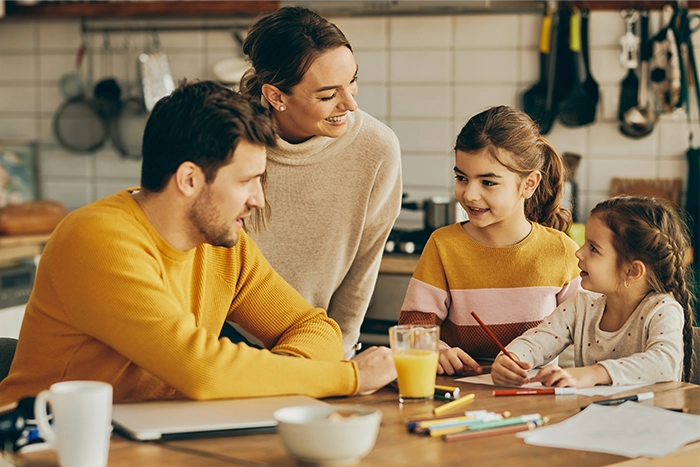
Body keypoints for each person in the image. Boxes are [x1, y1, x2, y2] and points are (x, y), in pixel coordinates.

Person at [0, 81, 396, 408]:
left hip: (155, 437)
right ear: (190, 179)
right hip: (44, 444)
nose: (258, 199)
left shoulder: (225, 244)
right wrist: (351, 376)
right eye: (246, 181)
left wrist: (278, 378)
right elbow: (204, 370)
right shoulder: (99, 240)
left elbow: (312, 327)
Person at [237, 6, 402, 358]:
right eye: (328, 95)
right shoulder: (228, 141)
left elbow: (364, 263)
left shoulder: (377, 148)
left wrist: (339, 351)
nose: (350, 104)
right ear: (276, 96)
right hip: (224, 339)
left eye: (353, 82)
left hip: (314, 343)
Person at [398, 105, 581, 376]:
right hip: (461, 392)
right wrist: (436, 349)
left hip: (536, 395)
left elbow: (586, 335)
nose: (469, 194)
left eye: (488, 182)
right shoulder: (443, 245)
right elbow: (412, 329)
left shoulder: (562, 251)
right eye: (462, 178)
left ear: (529, 184)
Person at [492, 196, 694, 387]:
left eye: (594, 248)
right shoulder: (582, 306)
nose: (579, 252)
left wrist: (594, 373)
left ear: (632, 270)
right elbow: (538, 340)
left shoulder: (661, 310)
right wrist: (511, 359)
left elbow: (665, 364)